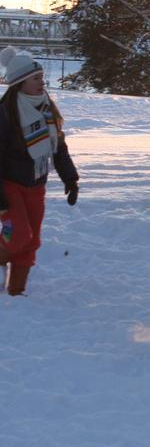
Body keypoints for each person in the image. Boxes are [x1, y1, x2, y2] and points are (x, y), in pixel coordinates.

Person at [0, 47, 79, 295]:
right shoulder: (6, 112)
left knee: (32, 240)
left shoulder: (48, 109)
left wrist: (70, 178)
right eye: (35, 78)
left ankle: (17, 292)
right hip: (9, 184)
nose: (41, 82)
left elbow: (59, 147)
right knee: (20, 235)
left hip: (36, 183)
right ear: (20, 83)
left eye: (42, 77)